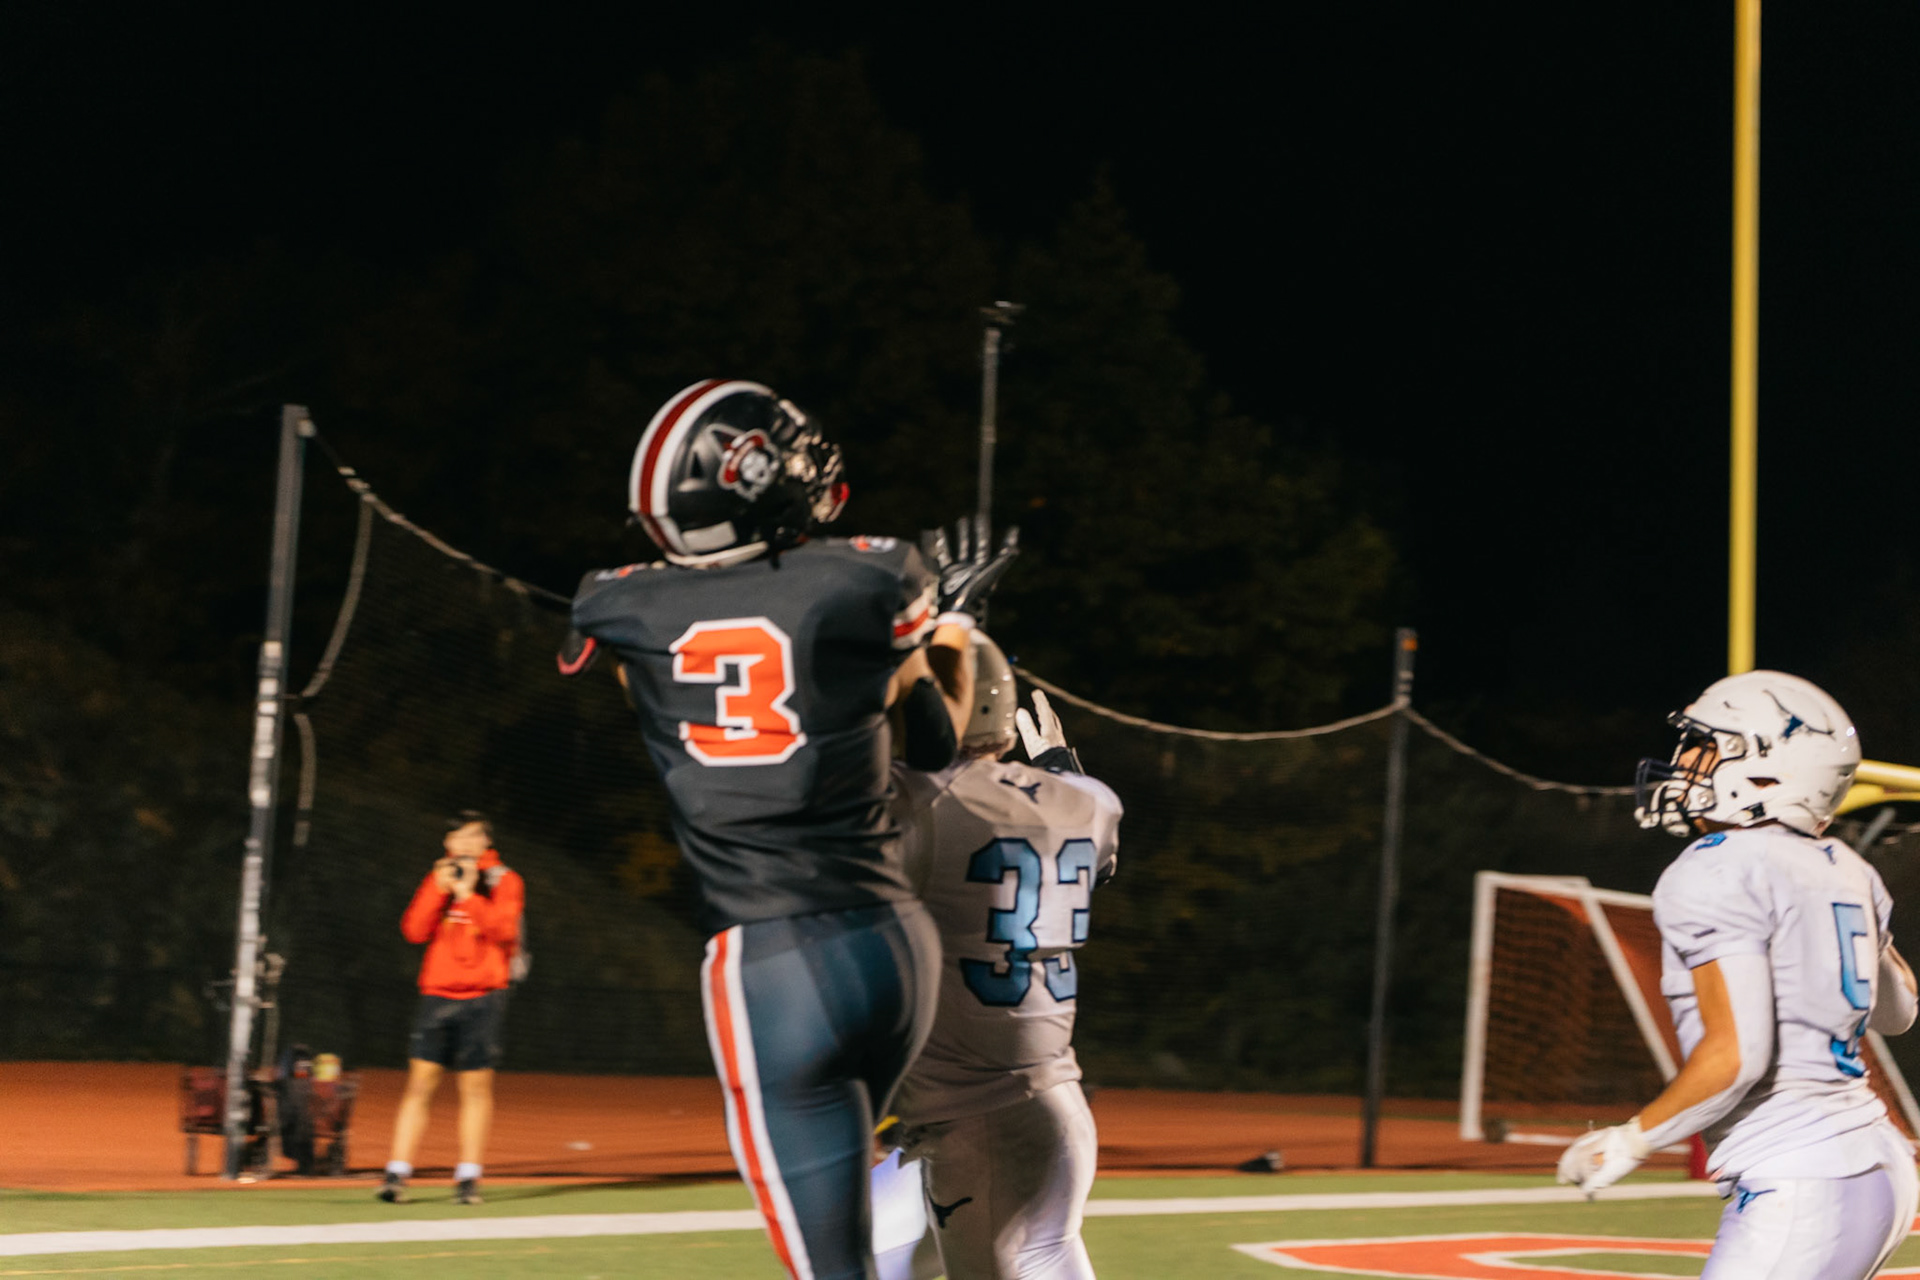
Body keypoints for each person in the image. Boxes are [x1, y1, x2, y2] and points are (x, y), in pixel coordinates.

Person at [559, 378, 1016, 1280]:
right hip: (894, 949)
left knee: (830, 1264)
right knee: (866, 1212)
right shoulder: (871, 575)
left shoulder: (616, 604)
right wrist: (950, 627)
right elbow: (936, 743)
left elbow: (655, 682)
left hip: (772, 963)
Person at [1558, 671, 1919, 1278]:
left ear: (1763, 770)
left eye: (1705, 747)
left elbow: (1737, 1056)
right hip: (1877, 1162)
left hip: (1805, 1174)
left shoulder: (1716, 867)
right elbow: (1899, 1011)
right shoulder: (1846, 866)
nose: (1685, 764)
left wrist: (1630, 1141)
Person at [886, 631, 1121, 1280]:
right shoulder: (1091, 801)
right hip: (1057, 1101)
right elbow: (1097, 853)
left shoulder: (922, 805)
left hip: (976, 1119)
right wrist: (1060, 767)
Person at [377, 810, 524, 1206]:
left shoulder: (505, 880)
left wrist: (467, 896)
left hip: (483, 997)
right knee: (419, 1085)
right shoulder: (439, 876)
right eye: (458, 836)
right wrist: (439, 890)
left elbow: (504, 930)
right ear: (448, 843)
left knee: (475, 1089)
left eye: (474, 836)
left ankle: (468, 1178)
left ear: (486, 842)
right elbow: (414, 930)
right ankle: (396, 1174)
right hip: (438, 996)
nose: (466, 844)